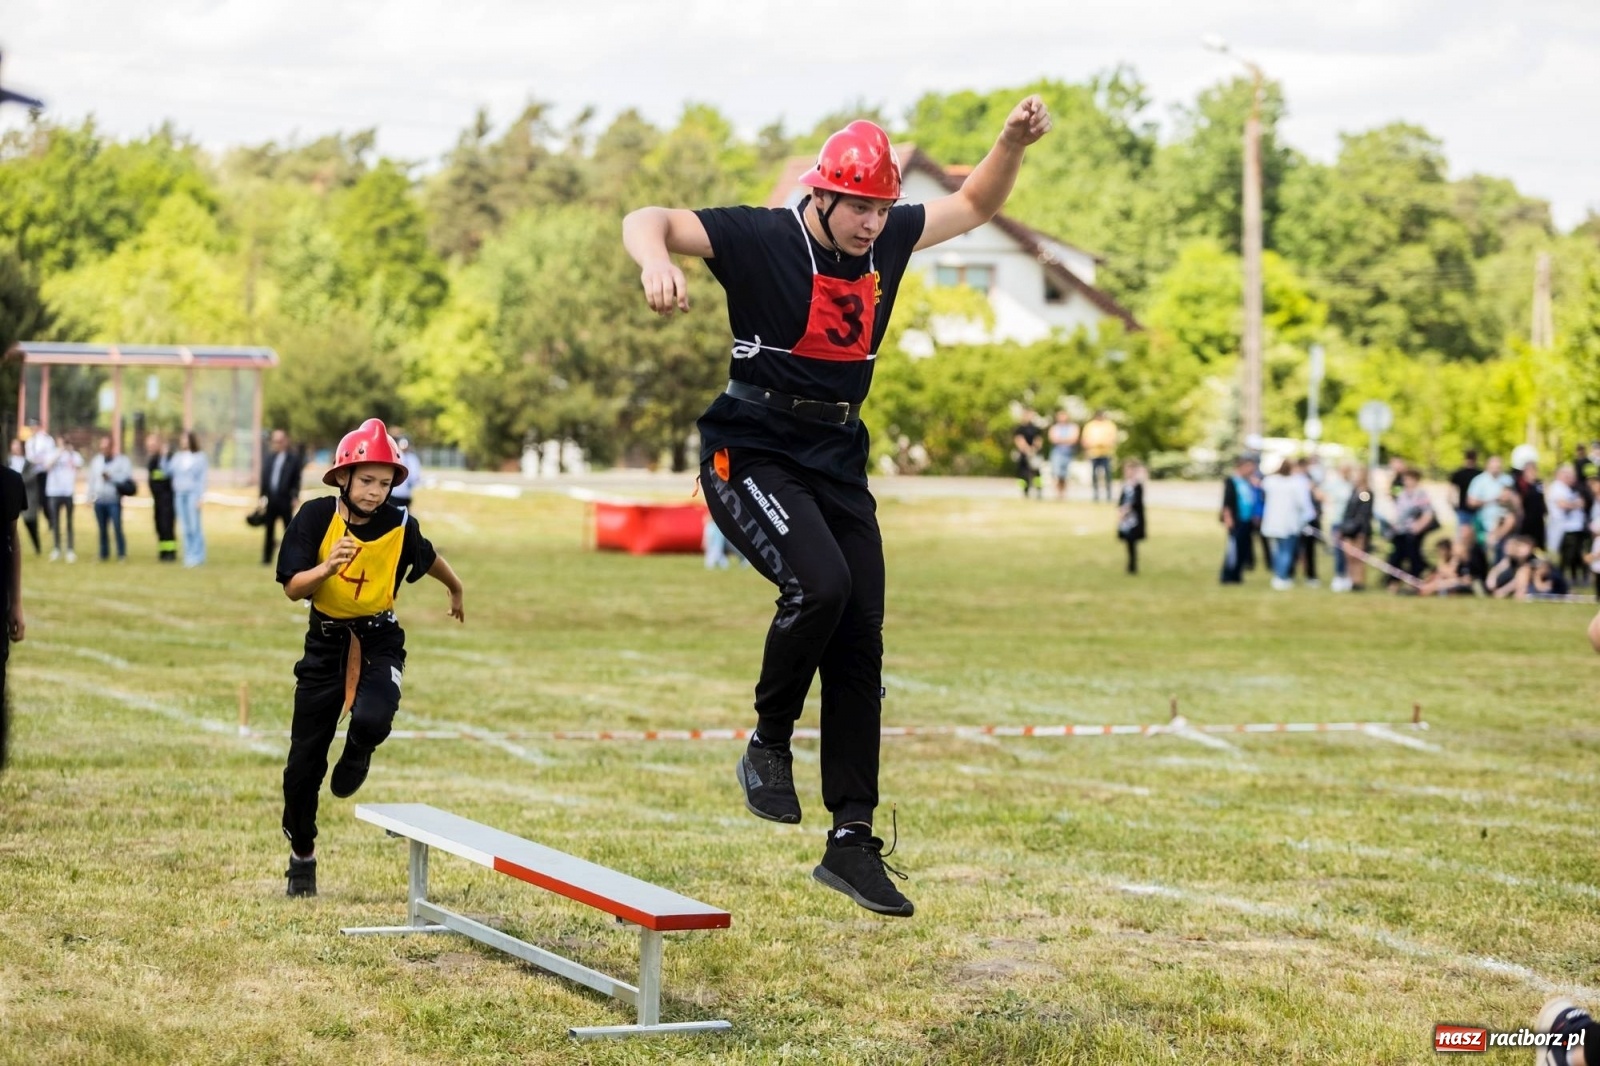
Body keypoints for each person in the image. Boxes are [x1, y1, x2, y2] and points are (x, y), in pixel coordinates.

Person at [622, 96, 1053, 918]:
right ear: (820, 196)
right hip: (748, 449)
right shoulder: (762, 237)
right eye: (858, 206)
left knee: (860, 640)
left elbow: (974, 205)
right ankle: (768, 743)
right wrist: (653, 261)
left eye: (881, 208)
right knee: (819, 587)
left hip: (836, 460)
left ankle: (851, 841)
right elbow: (650, 216)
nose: (871, 222)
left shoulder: (887, 238)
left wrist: (1006, 143)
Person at [275, 418, 465, 897]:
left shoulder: (400, 524)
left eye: (384, 483)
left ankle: (358, 750)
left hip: (379, 638)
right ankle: (302, 854)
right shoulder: (316, 518)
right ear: (343, 476)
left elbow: (428, 556)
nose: (375, 492)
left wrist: (456, 587)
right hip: (326, 644)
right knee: (302, 769)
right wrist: (327, 566)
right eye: (366, 481)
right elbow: (293, 589)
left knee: (376, 717)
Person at [1260, 457, 1314, 590]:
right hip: (1289, 522)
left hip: (1274, 522)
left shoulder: (1271, 481)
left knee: (1278, 549)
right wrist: (1309, 516)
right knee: (1286, 550)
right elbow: (1303, 504)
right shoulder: (1296, 483)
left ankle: (1279, 575)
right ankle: (1281, 576)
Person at [259, 428, 304, 566]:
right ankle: (266, 559)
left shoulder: (293, 459)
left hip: (285, 499)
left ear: (285, 441)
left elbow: (296, 480)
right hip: (271, 499)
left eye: (279, 441)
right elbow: (265, 478)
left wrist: (295, 496)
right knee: (269, 529)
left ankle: (291, 558)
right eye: (274, 441)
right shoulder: (269, 458)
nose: (276, 444)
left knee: (289, 530)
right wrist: (262, 495)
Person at [1388, 468, 1436, 580]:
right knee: (1397, 555)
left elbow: (1428, 513)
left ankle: (1416, 578)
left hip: (1414, 531)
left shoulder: (1421, 494)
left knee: (1414, 555)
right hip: (1401, 530)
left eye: (1409, 479)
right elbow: (1399, 511)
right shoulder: (1402, 494)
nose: (1406, 482)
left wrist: (1419, 526)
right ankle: (1393, 582)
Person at [171, 431, 208, 568]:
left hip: (193, 494)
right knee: (185, 527)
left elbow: (202, 479)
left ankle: (198, 556)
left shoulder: (200, 457)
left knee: (194, 526)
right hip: (180, 495)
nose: (183, 441)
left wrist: (200, 497)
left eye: (185, 439)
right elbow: (169, 471)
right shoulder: (178, 457)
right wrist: (164, 456)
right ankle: (189, 555)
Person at [1335, 468, 1376, 592]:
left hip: (1359, 530)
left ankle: (1358, 581)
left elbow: (1364, 514)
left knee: (1358, 557)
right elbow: (1348, 512)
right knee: (1349, 556)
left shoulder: (1366, 493)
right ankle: (1350, 580)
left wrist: (1362, 533)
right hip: (1349, 529)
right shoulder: (1354, 491)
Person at [1219, 455, 1259, 584]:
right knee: (1233, 549)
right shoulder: (1232, 481)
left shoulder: (1248, 482)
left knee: (1243, 549)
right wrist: (1228, 518)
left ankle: (1238, 575)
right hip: (1237, 521)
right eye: (1249, 467)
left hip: (1247, 521)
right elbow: (1227, 502)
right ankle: (1228, 576)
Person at [1547, 464, 1588, 586]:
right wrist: (1577, 504)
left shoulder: (1567, 488)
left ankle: (1570, 578)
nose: (1571, 478)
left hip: (1573, 527)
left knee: (1574, 554)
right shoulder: (1557, 488)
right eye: (1568, 475)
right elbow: (1563, 505)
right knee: (1566, 556)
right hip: (1563, 527)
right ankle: (1559, 579)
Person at [42, 435, 80, 563]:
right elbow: (47, 466)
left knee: (69, 522)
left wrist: (69, 452)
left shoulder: (73, 454)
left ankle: (70, 549)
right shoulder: (51, 453)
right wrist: (59, 452)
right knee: (55, 522)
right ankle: (56, 548)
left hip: (68, 492)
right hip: (54, 491)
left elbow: (79, 465)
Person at [146, 432, 177, 562]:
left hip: (168, 500)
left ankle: (170, 553)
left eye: (153, 445)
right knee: (159, 526)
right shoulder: (152, 461)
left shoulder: (169, 459)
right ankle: (162, 551)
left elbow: (168, 476)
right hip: (157, 500)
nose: (150, 447)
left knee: (167, 526)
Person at [8, 440, 40, 555]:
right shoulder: (8, 461)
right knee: (9, 525)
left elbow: (29, 478)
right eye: (13, 445)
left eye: (17, 445)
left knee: (30, 523)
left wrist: (14, 480)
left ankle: (37, 546)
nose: (15, 448)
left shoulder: (29, 464)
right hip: (10, 498)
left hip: (27, 496)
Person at [1116, 459, 1146, 575]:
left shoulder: (1137, 486)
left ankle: (1133, 566)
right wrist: (1120, 510)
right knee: (1127, 542)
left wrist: (1127, 509)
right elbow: (1121, 500)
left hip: (1134, 518)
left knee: (1133, 542)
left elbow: (1137, 502)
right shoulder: (1125, 485)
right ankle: (1130, 566)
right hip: (1126, 519)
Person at [1080, 410, 1117, 502]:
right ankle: (1096, 495)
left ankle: (1108, 495)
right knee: (1094, 475)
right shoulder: (1090, 426)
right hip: (1093, 453)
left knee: (1107, 474)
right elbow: (1085, 439)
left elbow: (1113, 439)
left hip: (1106, 452)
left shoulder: (1109, 425)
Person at [1046, 409, 1079, 500]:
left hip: (1068, 453)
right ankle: (1057, 494)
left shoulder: (1072, 427)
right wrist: (1066, 440)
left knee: (1065, 475)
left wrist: (1061, 440)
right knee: (1056, 473)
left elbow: (1073, 439)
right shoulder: (1055, 428)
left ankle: (1063, 494)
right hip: (1057, 453)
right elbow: (1053, 439)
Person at [1011, 408, 1042, 499]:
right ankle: (1024, 491)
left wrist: (1034, 449)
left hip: (1034, 453)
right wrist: (1027, 449)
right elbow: (1019, 440)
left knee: (1037, 474)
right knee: (1023, 474)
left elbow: (1038, 440)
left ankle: (1039, 490)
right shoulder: (1020, 428)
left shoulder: (1035, 428)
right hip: (1023, 454)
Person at [1448, 448, 1481, 533]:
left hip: (1463, 509)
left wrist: (1454, 507)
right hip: (1478, 508)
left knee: (1462, 535)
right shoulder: (1480, 474)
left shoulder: (1458, 473)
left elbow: (1451, 493)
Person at [389, 436, 422, 507]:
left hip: (406, 494)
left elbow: (416, 475)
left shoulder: (413, 458)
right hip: (394, 494)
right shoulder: (395, 456)